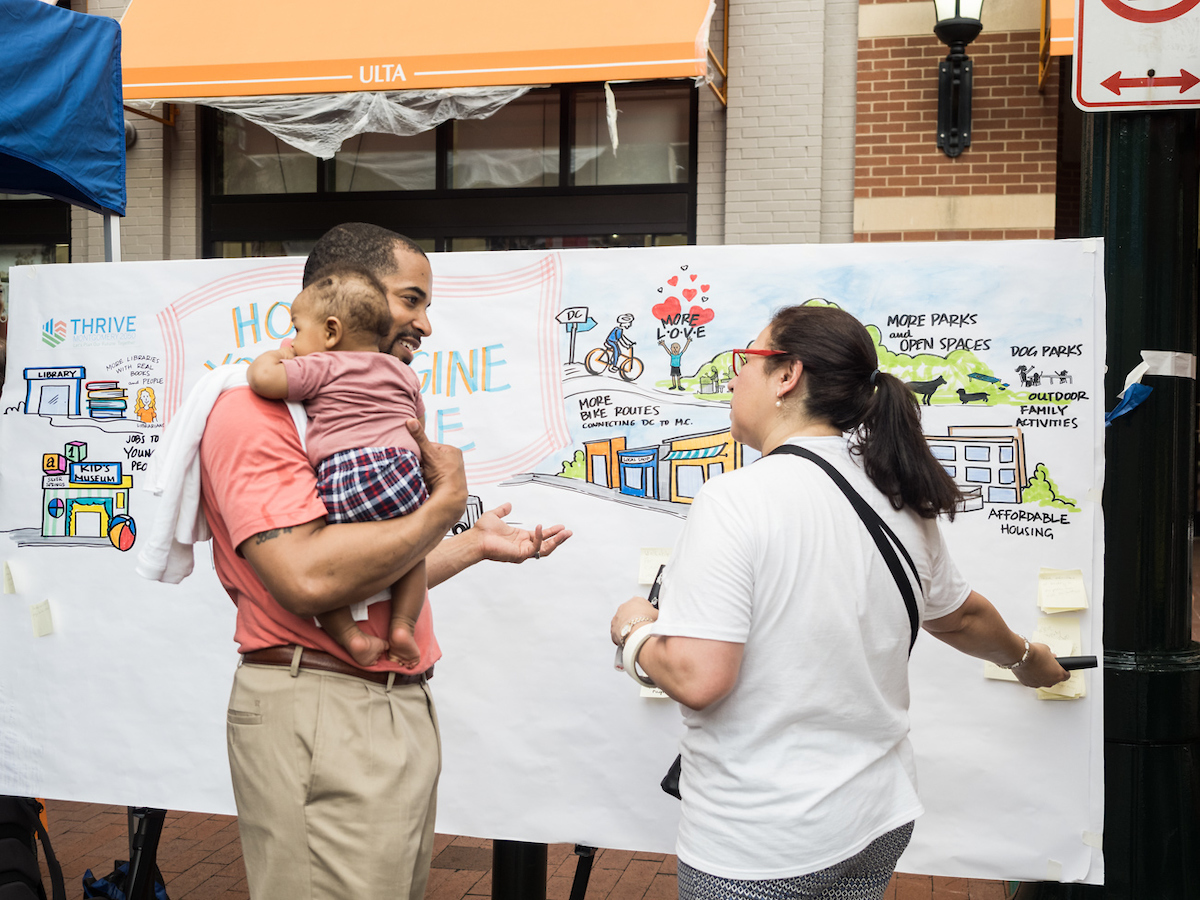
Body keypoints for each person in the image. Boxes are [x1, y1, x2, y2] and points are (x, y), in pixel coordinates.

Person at [609, 304, 1067, 900]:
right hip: (875, 818)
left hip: (761, 841)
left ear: (786, 375)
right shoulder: (895, 491)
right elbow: (961, 616)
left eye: (744, 359)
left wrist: (634, 632)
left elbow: (701, 678)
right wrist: (1027, 658)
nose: (731, 377)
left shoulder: (734, 499)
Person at [200, 223, 571, 900]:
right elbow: (309, 577)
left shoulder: (356, 402)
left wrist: (470, 544)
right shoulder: (256, 411)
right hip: (322, 704)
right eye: (411, 299)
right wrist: (442, 505)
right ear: (347, 296)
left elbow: (366, 570)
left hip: (382, 705)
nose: (426, 324)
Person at [246, 266, 429, 668]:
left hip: (347, 473)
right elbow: (418, 426)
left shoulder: (323, 367)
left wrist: (278, 356)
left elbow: (262, 379)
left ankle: (351, 635)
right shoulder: (403, 372)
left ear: (330, 332)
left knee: (332, 556)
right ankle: (402, 625)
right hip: (402, 473)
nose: (293, 340)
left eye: (297, 330)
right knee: (412, 550)